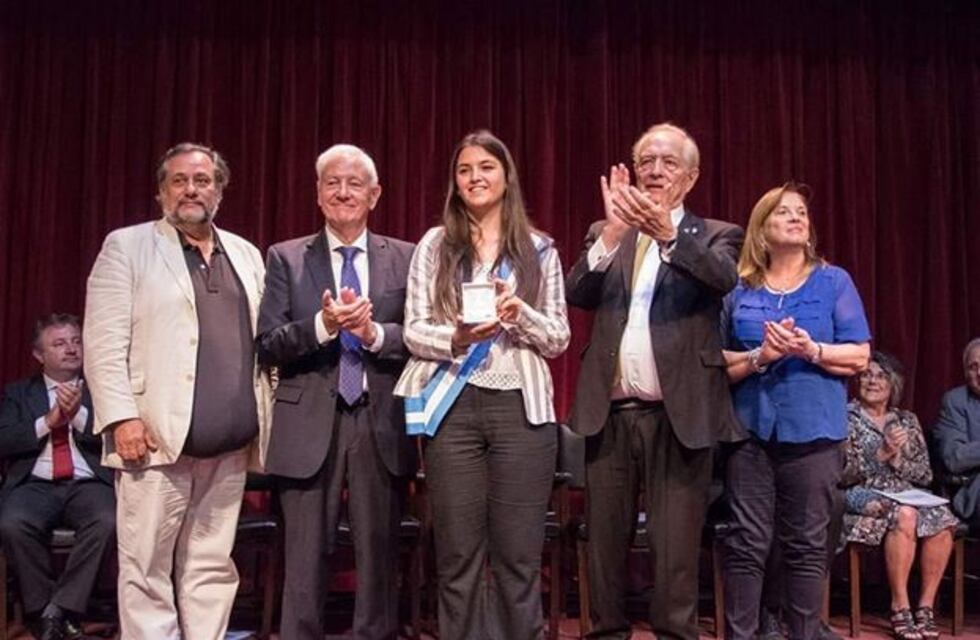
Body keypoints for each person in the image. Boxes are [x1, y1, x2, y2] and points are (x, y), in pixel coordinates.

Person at [83, 143, 271, 640]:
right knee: (146, 567)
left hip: (230, 445)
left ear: (220, 190)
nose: (192, 189)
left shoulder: (246, 254)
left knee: (211, 566)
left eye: (203, 180)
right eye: (179, 180)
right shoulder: (127, 246)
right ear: (161, 191)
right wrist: (121, 417)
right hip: (153, 440)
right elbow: (102, 343)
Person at [566, 122, 744, 640]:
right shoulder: (607, 232)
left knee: (674, 551)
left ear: (690, 177)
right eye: (646, 161)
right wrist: (616, 233)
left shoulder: (716, 233)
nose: (655, 170)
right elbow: (578, 290)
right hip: (611, 413)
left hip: (679, 415)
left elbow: (722, 278)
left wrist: (667, 232)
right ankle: (606, 633)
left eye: (668, 162)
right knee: (604, 545)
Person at [394, 130, 570, 639]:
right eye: (465, 169)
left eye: (486, 167)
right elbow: (412, 329)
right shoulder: (435, 244)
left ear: (506, 176)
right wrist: (458, 336)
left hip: (522, 410)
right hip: (453, 408)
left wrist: (520, 314)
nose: (475, 177)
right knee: (457, 555)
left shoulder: (539, 250)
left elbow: (557, 336)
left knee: (517, 557)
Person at [256, 143, 415, 639]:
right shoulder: (286, 257)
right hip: (306, 424)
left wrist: (374, 335)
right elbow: (268, 344)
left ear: (375, 194)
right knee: (302, 561)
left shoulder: (406, 258)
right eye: (332, 183)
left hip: (379, 419)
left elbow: (418, 340)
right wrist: (323, 325)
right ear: (318, 194)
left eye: (353, 184)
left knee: (379, 554)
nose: (343, 192)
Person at [720, 182, 870, 640]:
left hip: (815, 435)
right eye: (783, 212)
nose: (796, 218)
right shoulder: (738, 288)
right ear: (762, 229)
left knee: (806, 545)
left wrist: (812, 349)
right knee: (746, 544)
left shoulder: (833, 281)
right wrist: (760, 357)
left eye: (801, 211)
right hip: (749, 435)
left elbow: (860, 355)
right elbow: (716, 363)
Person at [0, 314, 115, 640]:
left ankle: (58, 609)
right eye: (59, 343)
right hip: (34, 483)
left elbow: (117, 440)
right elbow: (4, 440)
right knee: (11, 522)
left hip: (88, 483)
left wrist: (76, 416)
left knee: (108, 520)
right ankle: (42, 608)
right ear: (39, 356)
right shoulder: (19, 393)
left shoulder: (102, 390)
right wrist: (48, 421)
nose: (71, 349)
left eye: (76, 341)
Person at [840, 351, 957, 640]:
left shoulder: (908, 421)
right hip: (860, 493)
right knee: (904, 515)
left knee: (943, 518)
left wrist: (896, 460)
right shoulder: (846, 417)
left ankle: (925, 608)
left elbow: (925, 475)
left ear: (893, 385)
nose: (872, 381)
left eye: (880, 376)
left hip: (907, 493)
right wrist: (880, 455)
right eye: (866, 374)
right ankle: (900, 605)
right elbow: (840, 475)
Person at [934, 337, 980, 529]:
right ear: (965, 372)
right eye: (973, 367)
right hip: (973, 492)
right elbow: (954, 458)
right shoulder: (955, 402)